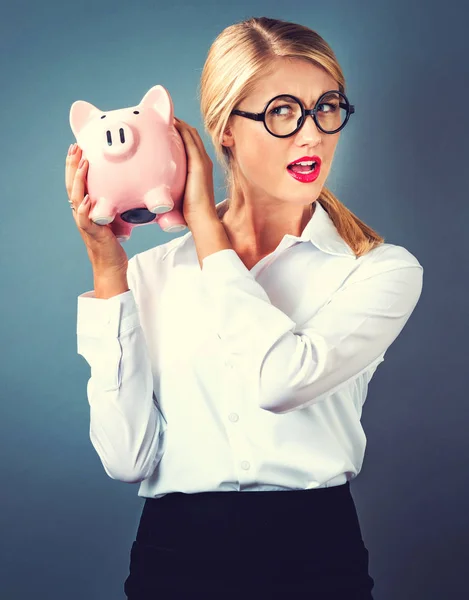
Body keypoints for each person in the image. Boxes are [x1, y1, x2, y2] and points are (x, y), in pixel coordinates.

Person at [65, 16, 423, 600]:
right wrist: (109, 272)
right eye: (283, 111)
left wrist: (205, 222)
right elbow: (127, 459)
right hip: (172, 557)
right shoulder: (151, 275)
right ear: (224, 130)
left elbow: (279, 382)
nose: (312, 136)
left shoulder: (379, 270)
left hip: (315, 557)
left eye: (326, 107)